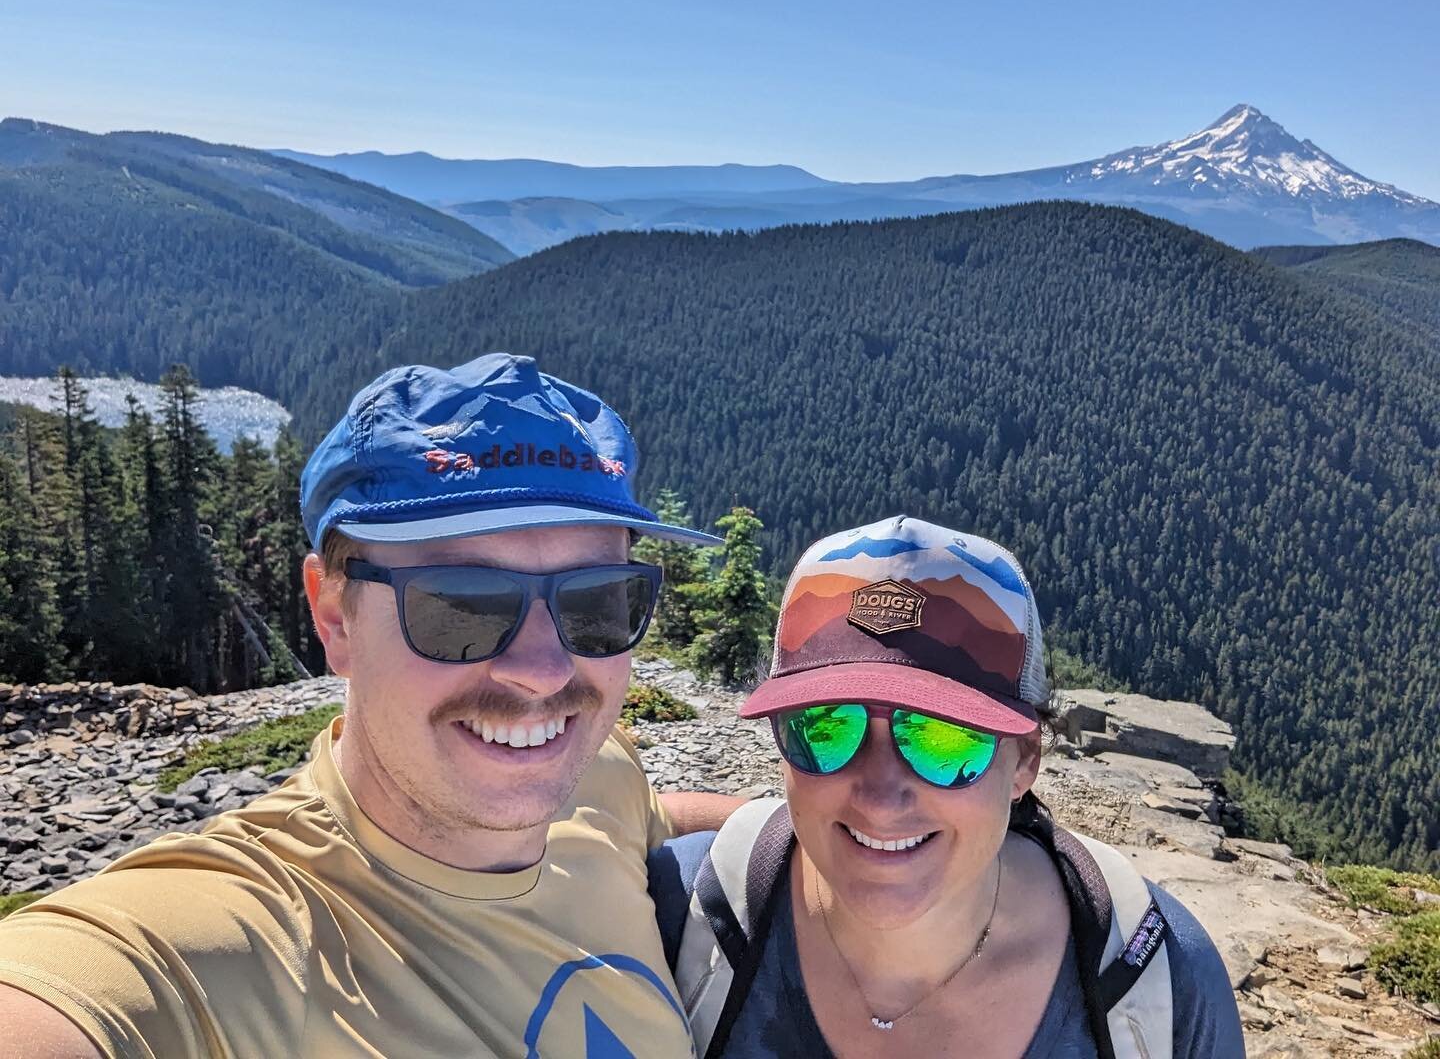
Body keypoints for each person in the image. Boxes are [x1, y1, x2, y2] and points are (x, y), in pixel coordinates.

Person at [0, 352, 742, 1057]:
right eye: (461, 605)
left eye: (599, 602)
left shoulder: (595, 775)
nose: (543, 672)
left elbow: (654, 811)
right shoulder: (226, 940)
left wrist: (819, 817)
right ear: (332, 617)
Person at [652, 515, 1245, 1058]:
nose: (881, 796)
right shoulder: (677, 917)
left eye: (944, 738)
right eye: (826, 727)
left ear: (1025, 763)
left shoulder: (1157, 983)